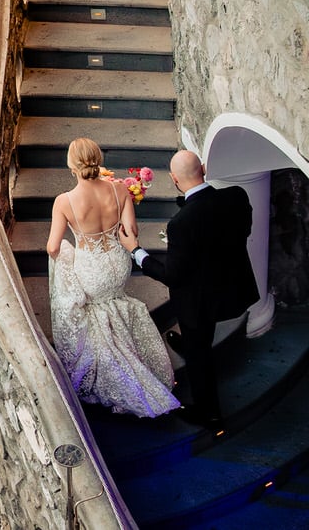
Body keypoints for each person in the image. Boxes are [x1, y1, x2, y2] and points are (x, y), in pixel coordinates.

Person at [125, 149, 258, 428]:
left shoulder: (181, 224)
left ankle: (209, 412)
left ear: (174, 179)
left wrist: (136, 252)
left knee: (199, 355)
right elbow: (242, 231)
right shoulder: (236, 197)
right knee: (197, 339)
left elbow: (171, 275)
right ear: (204, 169)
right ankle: (188, 344)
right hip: (230, 286)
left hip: (199, 302)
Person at [47, 138, 180, 417]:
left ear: (71, 165)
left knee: (95, 310)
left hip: (91, 269)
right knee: (117, 302)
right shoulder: (120, 189)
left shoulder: (64, 201)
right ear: (98, 159)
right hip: (119, 264)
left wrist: (70, 252)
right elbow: (131, 232)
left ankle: (120, 375)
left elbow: (53, 247)